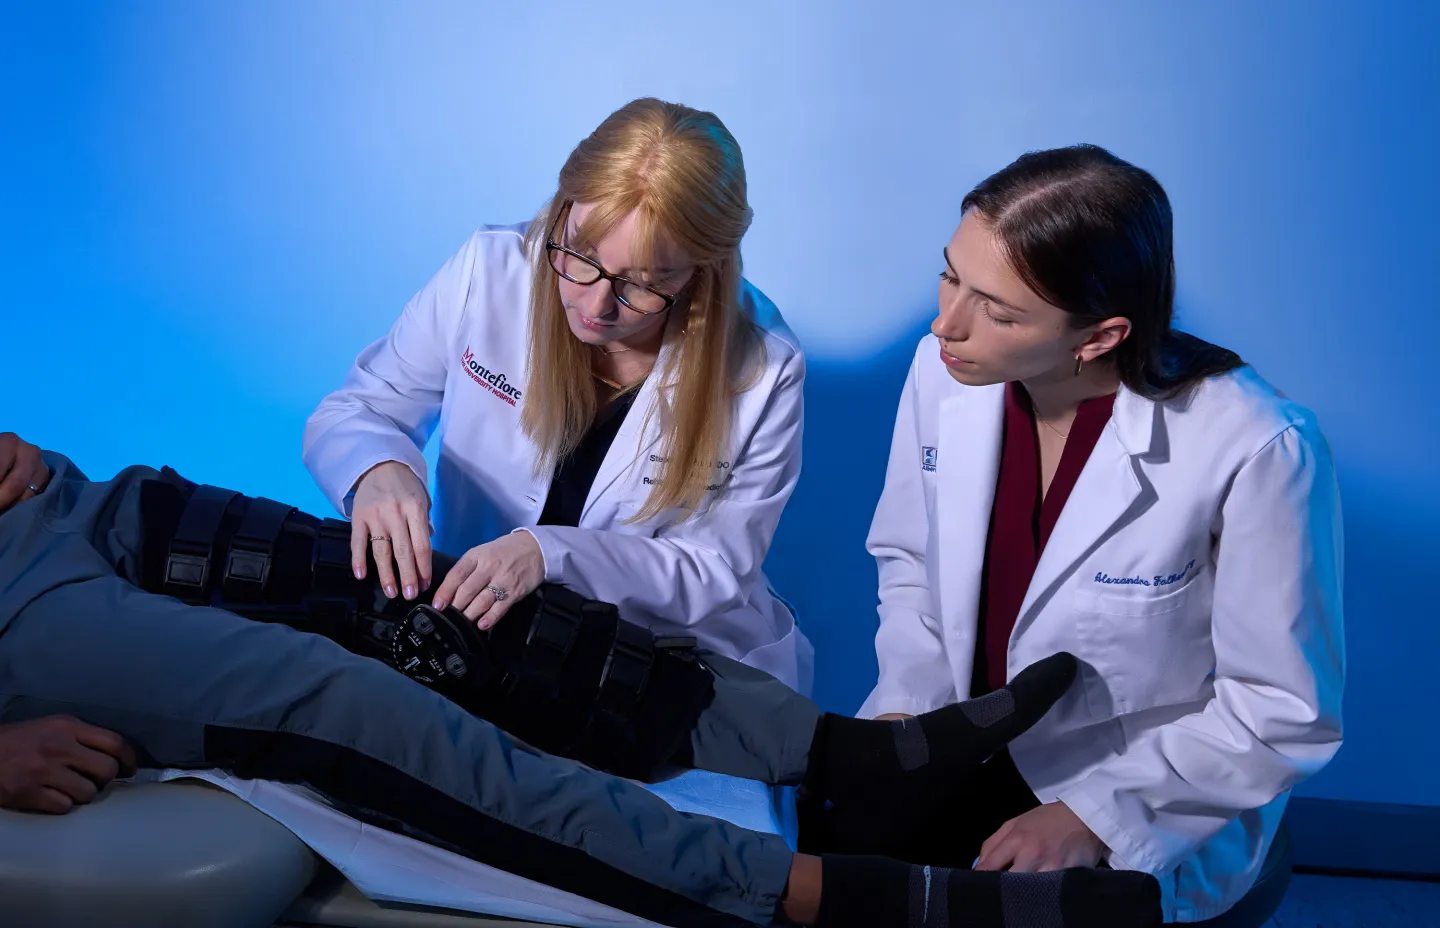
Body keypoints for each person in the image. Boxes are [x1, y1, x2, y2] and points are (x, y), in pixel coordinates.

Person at [0, 431, 1166, 928]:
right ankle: (815, 895)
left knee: (427, 604)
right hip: (23, 617)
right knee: (356, 701)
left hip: (63, 500)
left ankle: (842, 757)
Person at [846, 145, 1345, 922]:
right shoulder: (942, 371)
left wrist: (1095, 817)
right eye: (950, 275)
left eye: (1000, 311)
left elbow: (1280, 707)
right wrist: (905, 719)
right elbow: (909, 562)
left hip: (1142, 787)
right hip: (965, 749)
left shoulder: (1255, 446)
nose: (948, 323)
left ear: (1100, 336)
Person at [302, 97, 811, 694]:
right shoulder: (490, 273)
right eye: (582, 255)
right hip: (475, 637)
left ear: (704, 271)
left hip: (657, 663)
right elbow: (358, 409)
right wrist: (379, 468)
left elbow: (714, 571)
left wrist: (547, 554)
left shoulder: (764, 367)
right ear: (565, 209)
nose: (596, 306)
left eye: (645, 284)